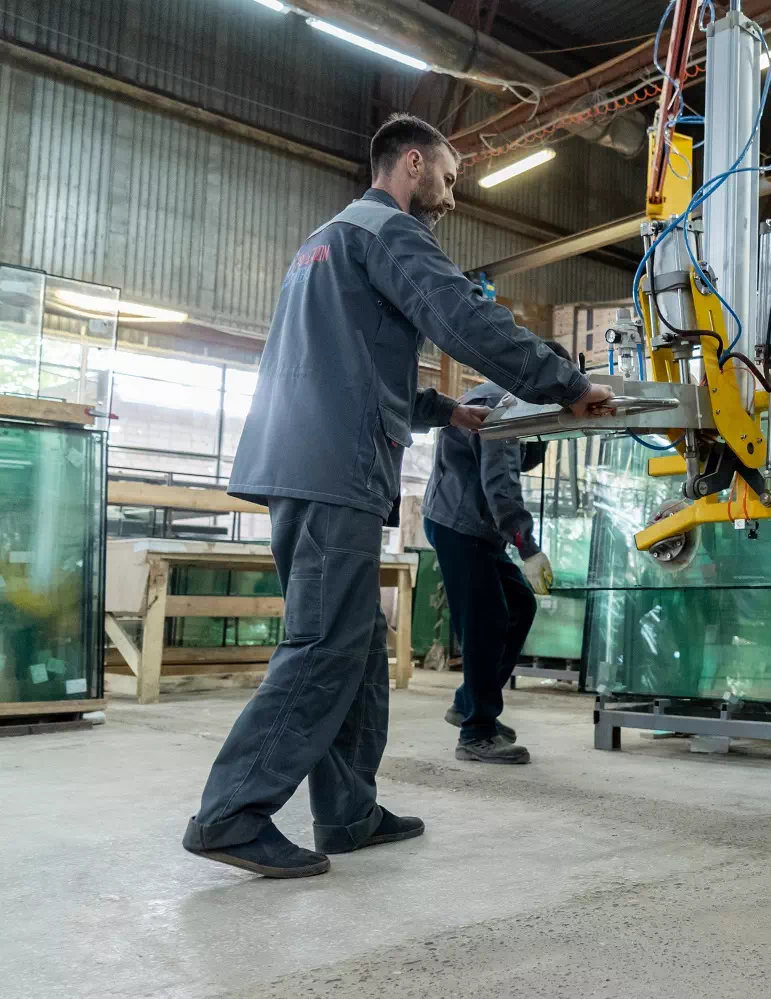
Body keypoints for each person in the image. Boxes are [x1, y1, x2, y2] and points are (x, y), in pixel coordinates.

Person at [181, 113, 613, 879]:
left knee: (354, 645)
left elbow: (353, 368)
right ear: (412, 163)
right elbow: (462, 317)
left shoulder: (326, 241)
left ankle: (348, 811)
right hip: (331, 467)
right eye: (448, 176)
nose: (450, 194)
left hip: (307, 458)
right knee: (323, 641)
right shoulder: (388, 231)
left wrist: (447, 410)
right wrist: (566, 384)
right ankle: (231, 811)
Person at [422, 353, 568, 765]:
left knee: (519, 605)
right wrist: (527, 546)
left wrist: (542, 435)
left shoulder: (505, 397)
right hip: (461, 526)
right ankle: (477, 733)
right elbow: (501, 483)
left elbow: (511, 460)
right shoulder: (501, 408)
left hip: (472, 524)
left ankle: (469, 703)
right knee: (484, 624)